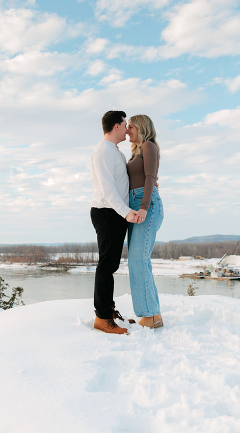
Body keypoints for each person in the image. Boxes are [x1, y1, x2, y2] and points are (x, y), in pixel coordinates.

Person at [90, 111, 141, 335]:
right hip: (107, 212)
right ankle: (102, 318)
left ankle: (108, 310)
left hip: (115, 213)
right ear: (117, 126)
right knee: (106, 265)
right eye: (125, 124)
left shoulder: (114, 152)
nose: (127, 128)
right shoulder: (103, 151)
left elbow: (122, 181)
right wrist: (126, 212)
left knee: (111, 265)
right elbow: (107, 188)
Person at [126, 114, 164, 329]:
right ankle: (154, 314)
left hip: (145, 206)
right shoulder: (136, 153)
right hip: (136, 205)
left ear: (141, 127)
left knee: (138, 260)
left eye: (130, 126)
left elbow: (150, 178)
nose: (127, 130)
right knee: (138, 260)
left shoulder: (149, 146)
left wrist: (143, 206)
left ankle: (148, 315)